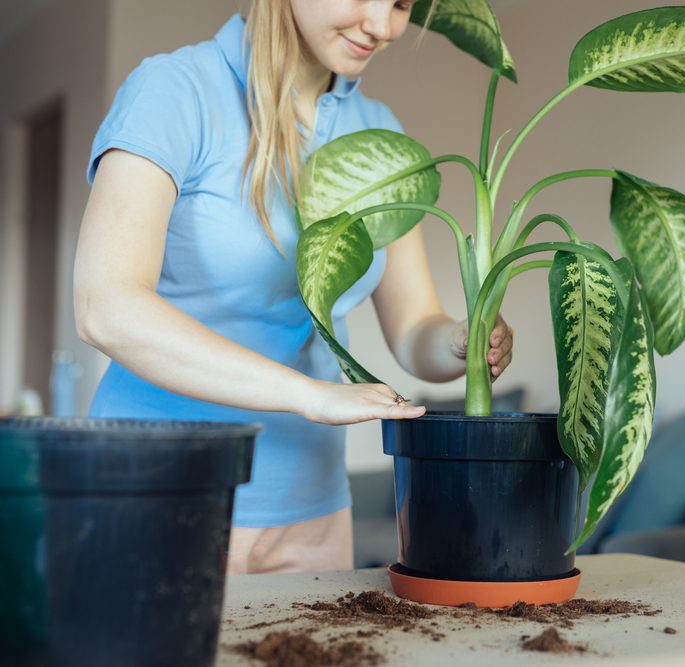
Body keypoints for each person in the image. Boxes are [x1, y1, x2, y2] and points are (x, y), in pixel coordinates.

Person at [73, 0, 513, 575]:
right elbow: (105, 308)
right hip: (154, 494)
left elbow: (414, 331)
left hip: (314, 510)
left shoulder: (378, 135)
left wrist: (464, 340)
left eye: (402, 3)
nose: (382, 26)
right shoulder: (175, 92)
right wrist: (311, 394)